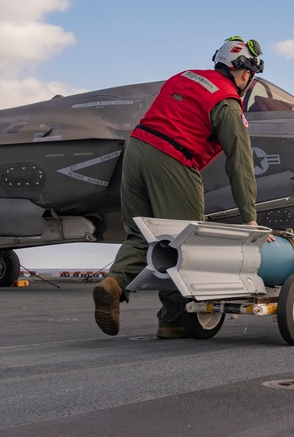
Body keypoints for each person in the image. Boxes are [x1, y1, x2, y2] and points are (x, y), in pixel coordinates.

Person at [93, 36, 265, 338]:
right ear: (245, 72)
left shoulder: (185, 76)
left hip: (135, 150)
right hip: (173, 158)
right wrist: (249, 217)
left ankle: (114, 283)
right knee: (182, 242)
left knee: (141, 234)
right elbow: (240, 162)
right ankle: (172, 320)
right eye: (250, 74)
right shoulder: (227, 100)